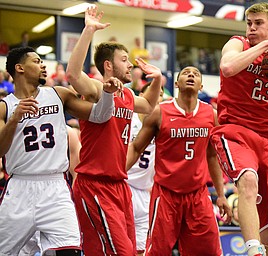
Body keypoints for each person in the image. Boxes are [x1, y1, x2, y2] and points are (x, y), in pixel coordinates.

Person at [0, 46, 118, 255]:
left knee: (69, 251)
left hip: (55, 187)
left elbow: (100, 116)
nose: (43, 65)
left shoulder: (58, 94)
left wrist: (107, 95)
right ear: (19, 68)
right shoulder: (5, 107)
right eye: (36, 61)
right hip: (19, 188)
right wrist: (15, 119)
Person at [66, 5, 162, 255]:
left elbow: (150, 105)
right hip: (94, 184)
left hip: (120, 185)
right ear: (108, 65)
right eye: (124, 60)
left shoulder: (129, 95)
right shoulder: (97, 90)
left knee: (124, 249)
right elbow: (73, 74)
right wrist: (88, 31)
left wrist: (159, 78)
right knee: (122, 251)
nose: (130, 65)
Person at [210, 2, 268, 256]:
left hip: (265, 139)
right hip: (234, 131)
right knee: (248, 179)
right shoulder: (238, 43)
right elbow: (227, 68)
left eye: (258, 23)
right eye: (249, 22)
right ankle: (253, 251)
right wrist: (265, 45)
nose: (251, 28)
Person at [126, 66, 232, 255]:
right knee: (157, 251)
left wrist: (221, 194)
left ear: (201, 86)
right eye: (185, 73)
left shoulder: (211, 114)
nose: (191, 75)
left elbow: (212, 155)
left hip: (198, 194)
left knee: (209, 251)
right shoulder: (160, 112)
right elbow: (136, 147)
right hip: (166, 194)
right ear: (176, 84)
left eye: (196, 74)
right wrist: (117, 174)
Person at [126, 82, 163, 256]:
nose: (159, 97)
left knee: (141, 250)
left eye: (162, 94)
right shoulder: (128, 119)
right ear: (142, 96)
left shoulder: (162, 124)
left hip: (145, 192)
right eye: (155, 92)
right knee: (121, 247)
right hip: (124, 186)